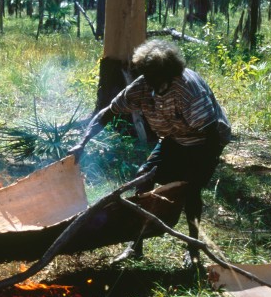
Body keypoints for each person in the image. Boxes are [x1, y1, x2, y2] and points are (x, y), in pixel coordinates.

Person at [70, 39, 231, 266]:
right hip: (174, 137)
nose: (148, 82)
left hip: (204, 140)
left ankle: (193, 249)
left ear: (169, 74)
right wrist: (83, 142)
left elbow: (211, 134)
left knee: (190, 191)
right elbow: (108, 113)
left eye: (154, 77)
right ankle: (136, 245)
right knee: (142, 177)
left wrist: (202, 167)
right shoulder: (143, 86)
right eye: (145, 75)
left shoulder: (187, 91)